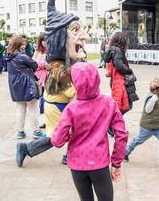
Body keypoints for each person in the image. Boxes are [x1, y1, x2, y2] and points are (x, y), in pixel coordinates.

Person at [15, 0, 90, 167]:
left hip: (61, 105)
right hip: (57, 107)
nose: (84, 36)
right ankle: (26, 148)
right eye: (76, 30)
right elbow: (73, 92)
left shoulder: (64, 64)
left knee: (74, 131)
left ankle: (69, 155)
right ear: (60, 39)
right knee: (57, 138)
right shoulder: (59, 68)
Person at [51, 62, 128, 201]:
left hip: (77, 164)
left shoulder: (71, 108)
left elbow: (56, 141)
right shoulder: (108, 103)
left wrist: (68, 136)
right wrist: (116, 162)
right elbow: (121, 134)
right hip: (99, 163)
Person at [125, 78, 159, 165]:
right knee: (138, 140)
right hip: (147, 126)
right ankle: (125, 153)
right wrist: (153, 100)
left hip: (157, 126)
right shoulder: (153, 97)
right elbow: (147, 110)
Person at [6, 36, 44, 140]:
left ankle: (20, 131)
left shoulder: (10, 56)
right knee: (33, 109)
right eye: (23, 44)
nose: (25, 46)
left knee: (20, 109)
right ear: (18, 45)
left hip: (15, 86)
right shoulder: (22, 56)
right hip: (27, 85)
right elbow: (35, 65)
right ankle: (36, 131)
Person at [104, 32, 139, 114]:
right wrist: (128, 70)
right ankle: (113, 124)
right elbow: (119, 66)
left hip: (115, 80)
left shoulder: (112, 50)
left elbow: (107, 60)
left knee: (121, 105)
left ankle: (114, 123)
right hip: (121, 81)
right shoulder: (118, 50)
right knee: (123, 106)